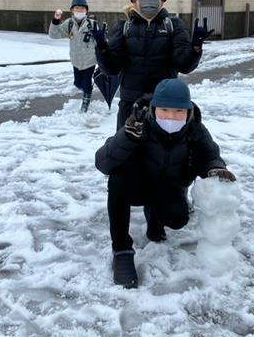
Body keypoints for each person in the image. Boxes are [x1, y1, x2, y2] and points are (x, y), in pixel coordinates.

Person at [95, 78, 236, 288]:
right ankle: (122, 250)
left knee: (178, 218)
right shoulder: (138, 124)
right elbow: (103, 163)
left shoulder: (194, 128)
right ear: (153, 109)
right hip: (138, 185)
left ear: (188, 112)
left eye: (179, 111)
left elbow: (209, 156)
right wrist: (127, 138)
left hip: (170, 187)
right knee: (117, 182)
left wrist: (214, 168)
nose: (171, 117)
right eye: (165, 110)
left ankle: (155, 219)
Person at [93, 0, 213, 129]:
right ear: (134, 1)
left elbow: (184, 65)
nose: (149, 1)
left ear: (162, 1)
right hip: (131, 105)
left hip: (164, 105)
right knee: (127, 149)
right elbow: (111, 69)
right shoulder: (123, 28)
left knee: (161, 151)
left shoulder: (173, 26)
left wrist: (195, 47)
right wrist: (102, 48)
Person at [49, 0, 98, 113]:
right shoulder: (69, 24)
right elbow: (54, 35)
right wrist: (56, 20)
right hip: (76, 60)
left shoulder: (92, 24)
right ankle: (87, 89)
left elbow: (100, 42)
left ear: (86, 10)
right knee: (77, 83)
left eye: (82, 9)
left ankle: (86, 100)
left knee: (86, 83)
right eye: (77, 8)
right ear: (72, 10)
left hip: (89, 60)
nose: (79, 11)